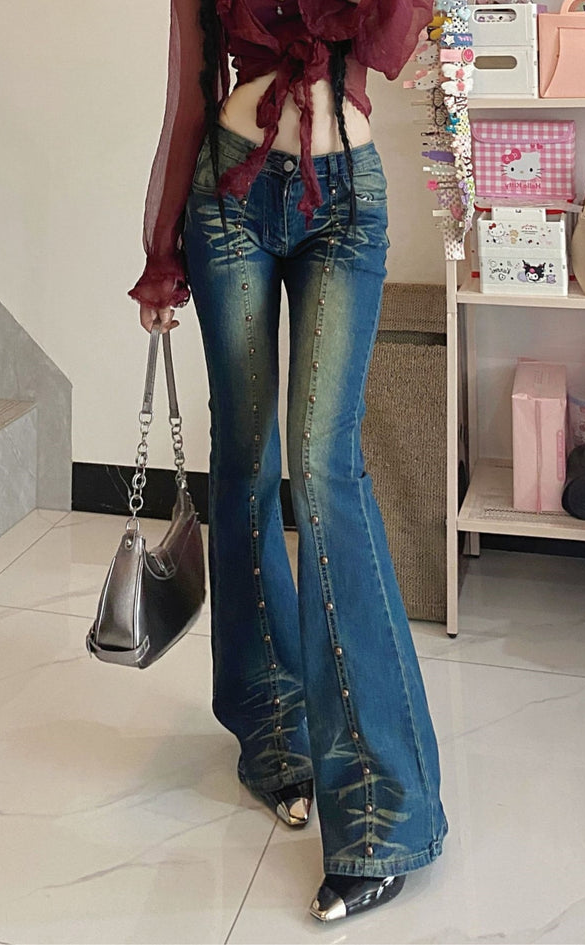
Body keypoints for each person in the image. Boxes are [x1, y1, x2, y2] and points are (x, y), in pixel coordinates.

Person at [129, 0, 448, 923]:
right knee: (244, 461)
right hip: (229, 193)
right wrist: (161, 252)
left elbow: (393, 40)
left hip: (345, 197)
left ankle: (387, 809)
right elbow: (190, 91)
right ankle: (272, 733)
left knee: (322, 466)